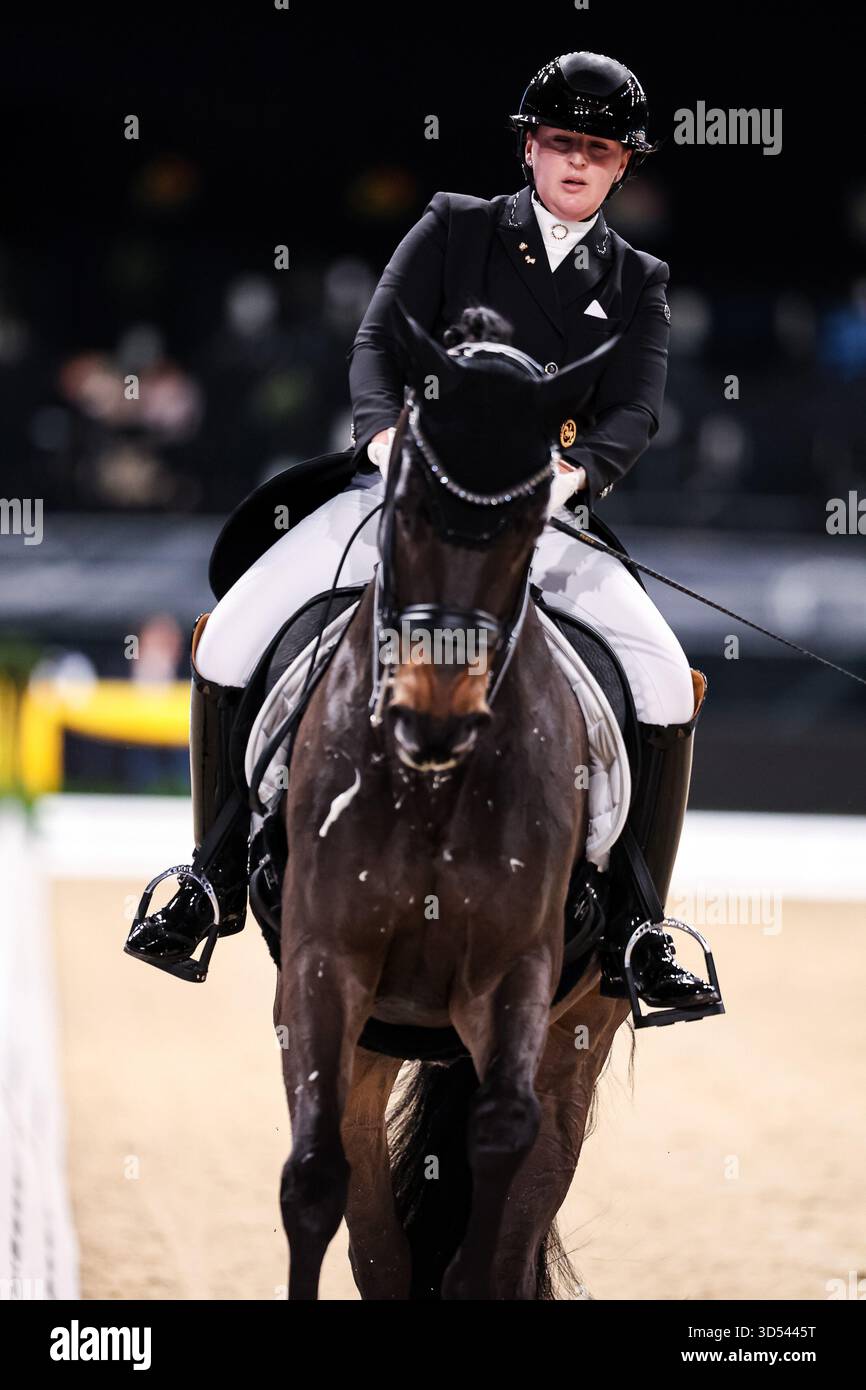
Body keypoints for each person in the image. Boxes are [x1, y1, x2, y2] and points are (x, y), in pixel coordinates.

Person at [125, 51, 720, 1015]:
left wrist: (568, 479)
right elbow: (378, 339)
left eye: (597, 148)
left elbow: (632, 415)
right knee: (234, 631)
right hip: (405, 493)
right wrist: (388, 438)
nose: (575, 161)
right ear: (531, 145)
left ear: (622, 166)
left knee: (660, 682)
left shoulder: (639, 278)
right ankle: (212, 877)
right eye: (560, 141)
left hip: (541, 515)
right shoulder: (457, 226)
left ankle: (640, 928)